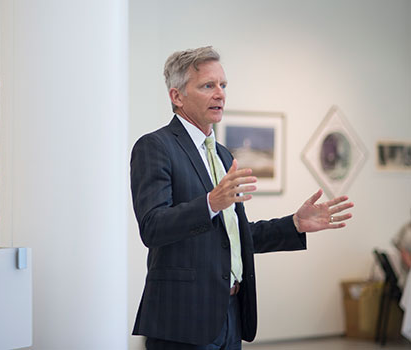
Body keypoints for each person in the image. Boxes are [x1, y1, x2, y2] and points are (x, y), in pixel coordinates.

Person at [130, 46, 354, 350]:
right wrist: (210, 203)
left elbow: (233, 237)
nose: (220, 94)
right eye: (208, 85)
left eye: (223, 85)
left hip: (231, 314)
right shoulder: (155, 147)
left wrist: (294, 224)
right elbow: (153, 227)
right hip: (182, 319)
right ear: (177, 96)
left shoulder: (221, 154)